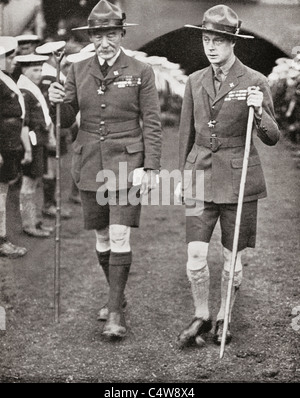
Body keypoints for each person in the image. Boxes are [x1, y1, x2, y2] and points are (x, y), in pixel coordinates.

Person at [49, 0, 162, 339]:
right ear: (91, 37)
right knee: (100, 237)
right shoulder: (76, 70)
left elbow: (152, 123)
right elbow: (67, 121)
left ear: (121, 34)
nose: (104, 42)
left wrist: (152, 167)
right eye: (98, 36)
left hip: (127, 163)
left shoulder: (141, 70)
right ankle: (118, 294)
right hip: (89, 162)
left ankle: (115, 313)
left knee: (119, 234)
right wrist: (59, 100)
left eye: (111, 35)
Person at [177, 5, 280, 348]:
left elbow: (272, 136)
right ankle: (202, 314)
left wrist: (259, 110)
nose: (211, 46)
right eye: (207, 39)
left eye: (218, 40)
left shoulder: (255, 81)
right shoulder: (194, 81)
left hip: (239, 182)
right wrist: (182, 176)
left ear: (232, 43)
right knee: (194, 254)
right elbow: (185, 135)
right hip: (199, 177)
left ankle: (225, 316)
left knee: (231, 257)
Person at [16, 54, 54, 238]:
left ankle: (35, 221)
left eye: (40, 69)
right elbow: (24, 124)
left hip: (39, 142)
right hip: (32, 143)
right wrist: (29, 149)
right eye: (34, 70)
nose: (39, 74)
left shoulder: (32, 89)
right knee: (28, 185)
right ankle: (29, 224)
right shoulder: (24, 91)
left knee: (34, 183)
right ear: (24, 70)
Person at [35, 41, 72, 219]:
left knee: (56, 167)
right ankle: (49, 205)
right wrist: (50, 133)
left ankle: (53, 204)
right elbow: (46, 109)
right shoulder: (49, 77)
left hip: (58, 129)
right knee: (51, 167)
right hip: (51, 129)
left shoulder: (54, 74)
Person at [0, 37, 28, 258]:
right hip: (2, 148)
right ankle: (1, 241)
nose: (13, 61)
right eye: (8, 57)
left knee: (2, 193)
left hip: (9, 147)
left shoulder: (5, 78)